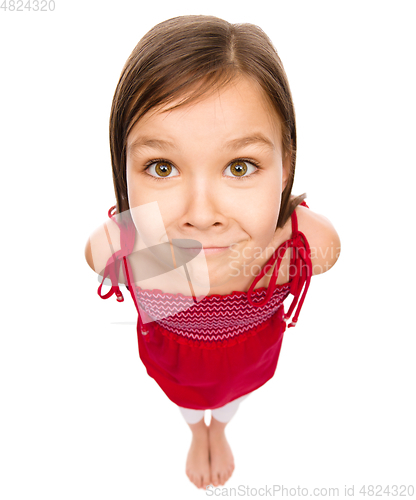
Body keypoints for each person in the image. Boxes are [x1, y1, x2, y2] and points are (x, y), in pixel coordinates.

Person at [84, 15, 341, 490]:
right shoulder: (141, 248)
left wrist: (269, 237)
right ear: (124, 171)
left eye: (240, 167)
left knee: (228, 403)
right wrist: (165, 259)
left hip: (247, 363)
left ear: (284, 168)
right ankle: (193, 429)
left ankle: (218, 429)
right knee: (184, 403)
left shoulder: (281, 251)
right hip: (172, 362)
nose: (201, 215)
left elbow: (328, 248)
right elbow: (96, 254)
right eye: (162, 167)